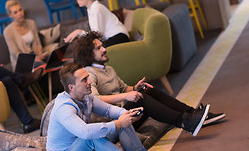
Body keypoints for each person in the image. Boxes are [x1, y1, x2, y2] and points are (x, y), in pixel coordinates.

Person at [46, 62, 178, 151]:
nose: (90, 81)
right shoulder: (64, 108)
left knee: (121, 120)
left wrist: (127, 114)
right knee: (94, 137)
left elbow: (108, 110)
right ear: (71, 87)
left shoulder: (86, 97)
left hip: (79, 143)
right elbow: (85, 133)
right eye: (84, 80)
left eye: (88, 77)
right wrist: (119, 123)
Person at [73, 31, 225, 135]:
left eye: (102, 46)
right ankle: (185, 122)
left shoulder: (108, 69)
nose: (104, 49)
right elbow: (95, 99)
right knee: (142, 99)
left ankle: (193, 114)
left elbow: (124, 88)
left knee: (146, 91)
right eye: (98, 48)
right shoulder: (89, 73)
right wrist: (128, 95)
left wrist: (135, 88)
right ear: (88, 54)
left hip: (125, 111)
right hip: (117, 120)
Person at [64, 0, 129, 47]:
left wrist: (79, 32)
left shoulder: (97, 8)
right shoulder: (90, 9)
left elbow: (97, 35)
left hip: (119, 37)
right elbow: (95, 34)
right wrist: (80, 34)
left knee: (94, 52)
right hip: (114, 37)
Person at [3, 0, 47, 70]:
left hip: (36, 58)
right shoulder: (8, 31)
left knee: (50, 62)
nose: (20, 13)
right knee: (42, 66)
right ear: (10, 15)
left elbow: (38, 43)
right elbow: (16, 53)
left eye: (20, 10)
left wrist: (40, 55)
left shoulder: (31, 23)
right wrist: (34, 59)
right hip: (21, 62)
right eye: (15, 12)